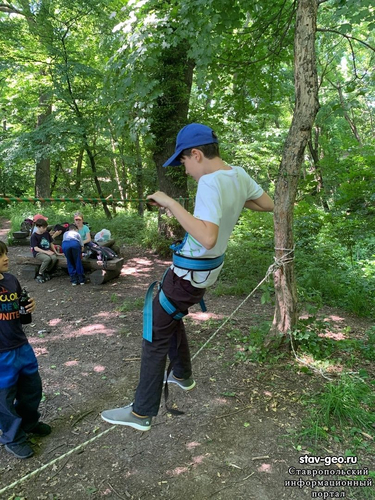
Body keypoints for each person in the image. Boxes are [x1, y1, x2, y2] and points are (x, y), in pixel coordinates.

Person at [101, 123, 274, 431]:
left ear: (196, 154)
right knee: (169, 315)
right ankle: (181, 373)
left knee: (155, 330)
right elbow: (267, 204)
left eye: (182, 161)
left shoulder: (209, 183)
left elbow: (207, 238)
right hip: (204, 274)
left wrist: (171, 203)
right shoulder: (237, 175)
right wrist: (231, 201)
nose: (184, 169)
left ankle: (141, 413)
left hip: (187, 274)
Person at [0, 241, 51, 459]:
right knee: (4, 400)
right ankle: (13, 438)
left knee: (32, 389)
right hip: (1, 354)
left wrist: (29, 305)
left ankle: (29, 424)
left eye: (5, 253)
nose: (5, 258)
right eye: (0, 256)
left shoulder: (11, 280)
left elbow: (19, 311)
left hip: (21, 345)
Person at [30, 218, 59, 284]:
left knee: (54, 258)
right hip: (38, 252)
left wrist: (56, 252)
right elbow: (35, 248)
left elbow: (51, 243)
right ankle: (40, 274)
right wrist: (47, 252)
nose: (45, 229)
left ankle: (47, 271)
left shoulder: (46, 233)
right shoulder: (34, 236)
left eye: (45, 227)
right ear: (38, 227)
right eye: (43, 228)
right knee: (47, 259)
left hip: (47, 250)